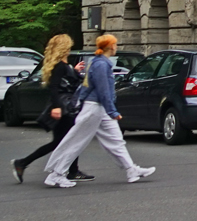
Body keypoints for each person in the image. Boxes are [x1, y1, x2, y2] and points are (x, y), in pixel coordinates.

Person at [40, 34, 153, 188]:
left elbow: (87, 86)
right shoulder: (101, 64)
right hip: (94, 108)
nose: (116, 47)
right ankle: (56, 174)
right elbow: (103, 91)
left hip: (97, 108)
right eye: (115, 45)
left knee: (116, 141)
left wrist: (82, 102)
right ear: (111, 46)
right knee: (77, 141)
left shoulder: (99, 62)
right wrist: (112, 111)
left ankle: (131, 170)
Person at [11, 36, 89, 184]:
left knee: (66, 140)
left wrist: (75, 70)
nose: (70, 48)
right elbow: (54, 88)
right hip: (63, 107)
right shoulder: (59, 66)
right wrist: (57, 107)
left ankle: (72, 171)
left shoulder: (63, 65)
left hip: (65, 107)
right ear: (64, 47)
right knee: (64, 140)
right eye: (69, 46)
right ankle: (22, 163)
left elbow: (68, 81)